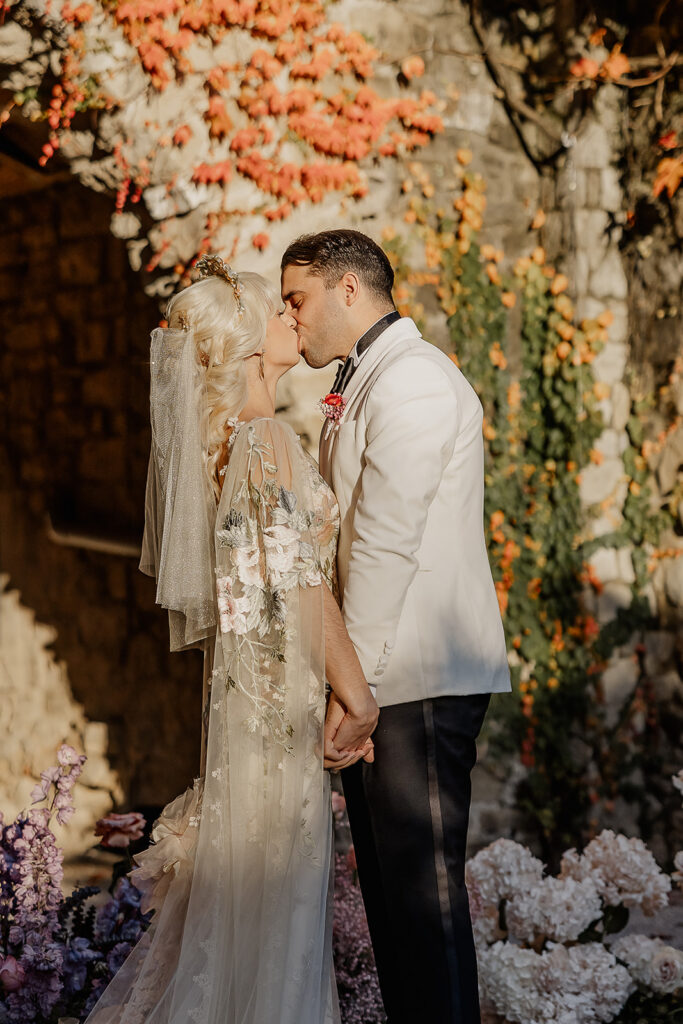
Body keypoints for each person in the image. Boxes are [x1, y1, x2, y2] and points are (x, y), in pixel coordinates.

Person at [84, 255, 378, 1024]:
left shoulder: (225, 452)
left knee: (256, 923)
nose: (292, 317)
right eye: (276, 310)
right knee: (277, 923)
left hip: (247, 711)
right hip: (281, 720)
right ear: (249, 342)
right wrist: (358, 696)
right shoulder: (265, 441)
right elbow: (302, 583)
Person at [281, 229, 511, 1024]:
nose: (291, 317)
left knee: (426, 906)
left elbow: (383, 542)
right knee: (394, 911)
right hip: (384, 678)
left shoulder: (412, 381)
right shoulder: (369, 378)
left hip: (412, 681)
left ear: (350, 291)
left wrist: (357, 690)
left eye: (298, 298)